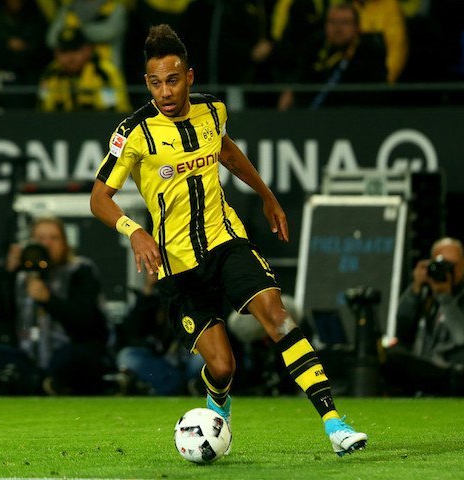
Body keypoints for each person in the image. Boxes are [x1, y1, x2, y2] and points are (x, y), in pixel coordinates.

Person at [90, 24, 367, 457]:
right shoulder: (134, 132)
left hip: (226, 241)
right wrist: (135, 231)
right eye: (156, 83)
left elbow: (228, 152)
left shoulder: (212, 110)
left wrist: (267, 196)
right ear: (147, 83)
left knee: (277, 317)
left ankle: (335, 424)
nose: (165, 91)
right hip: (178, 266)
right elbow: (99, 198)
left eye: (173, 80)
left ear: (189, 77)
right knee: (222, 367)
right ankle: (218, 406)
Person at [4, 217, 110, 395]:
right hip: (28, 353)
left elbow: (87, 323)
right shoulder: (22, 277)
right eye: (40, 238)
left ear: (65, 243)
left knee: (73, 357)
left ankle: (48, 384)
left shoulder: (80, 270)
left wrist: (49, 299)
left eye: (54, 238)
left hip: (70, 349)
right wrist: (9, 274)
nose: (47, 244)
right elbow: (1, 318)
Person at [389, 237, 464, 397]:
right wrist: (415, 289)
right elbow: (402, 327)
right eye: (441, 265)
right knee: (385, 354)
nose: (447, 271)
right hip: (433, 371)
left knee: (394, 359)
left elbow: (462, 336)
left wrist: (444, 297)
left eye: (452, 265)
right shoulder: (430, 289)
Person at [277, 2, 387, 110]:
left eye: (345, 22)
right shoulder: (314, 47)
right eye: (332, 22)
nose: (338, 28)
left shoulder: (371, 52)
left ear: (357, 27)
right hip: (316, 114)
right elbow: (301, 79)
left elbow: (375, 94)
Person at [113, 273, 205, 396]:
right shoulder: (149, 300)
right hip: (160, 362)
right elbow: (130, 332)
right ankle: (182, 387)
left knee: (204, 356)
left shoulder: (188, 296)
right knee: (127, 356)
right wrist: (147, 292)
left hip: (186, 358)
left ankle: (163, 387)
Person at [38, 27, 130, 112]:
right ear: (56, 53)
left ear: (88, 50)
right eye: (64, 51)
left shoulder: (104, 72)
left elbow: (116, 111)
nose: (70, 57)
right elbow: (42, 108)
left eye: (75, 50)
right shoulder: (50, 73)